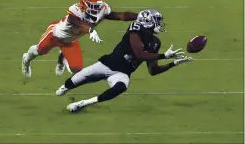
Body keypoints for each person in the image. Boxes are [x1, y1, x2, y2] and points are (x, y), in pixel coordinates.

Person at [55, 9, 194, 112]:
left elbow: (153, 70)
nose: (159, 24)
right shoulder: (135, 29)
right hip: (106, 64)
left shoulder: (155, 42)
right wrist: (164, 56)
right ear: (148, 22)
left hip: (122, 73)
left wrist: (173, 63)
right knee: (73, 81)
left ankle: (83, 103)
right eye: (157, 21)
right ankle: (65, 88)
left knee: (121, 87)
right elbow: (139, 53)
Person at [22, 0, 138, 78]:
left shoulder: (103, 9)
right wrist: (90, 30)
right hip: (55, 35)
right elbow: (77, 22)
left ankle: (62, 57)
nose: (96, 9)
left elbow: (121, 15)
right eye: (92, 5)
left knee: (76, 68)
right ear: (83, 3)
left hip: (71, 41)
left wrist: (139, 16)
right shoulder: (75, 10)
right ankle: (26, 60)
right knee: (39, 51)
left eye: (98, 5)